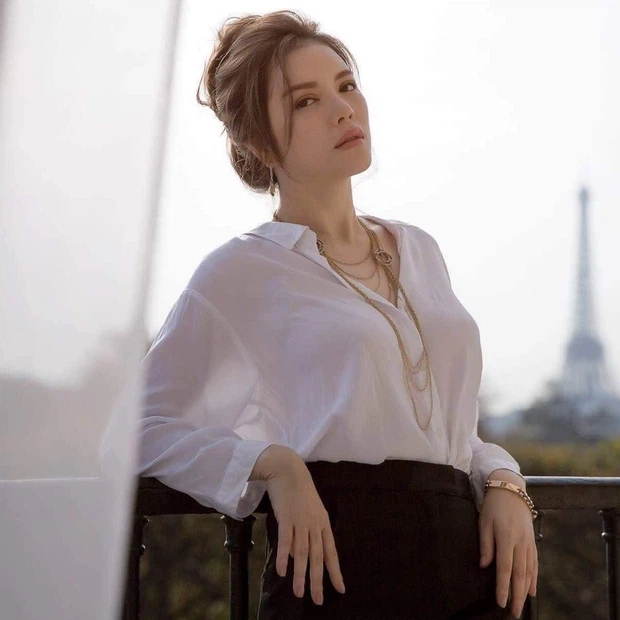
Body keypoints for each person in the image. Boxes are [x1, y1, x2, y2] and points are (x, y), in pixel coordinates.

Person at [137, 10, 538, 619]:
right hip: (341, 572)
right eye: (306, 101)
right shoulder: (241, 271)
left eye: (346, 85)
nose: (343, 109)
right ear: (256, 142)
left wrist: (502, 477)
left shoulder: (419, 250)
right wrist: (274, 465)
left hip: (478, 571)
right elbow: (137, 431)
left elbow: (439, 430)